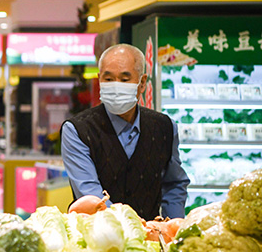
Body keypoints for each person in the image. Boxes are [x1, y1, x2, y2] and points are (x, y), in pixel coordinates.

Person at [60, 43, 189, 220]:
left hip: (151, 240)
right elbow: (91, 196)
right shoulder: (78, 130)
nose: (115, 86)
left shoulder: (164, 127)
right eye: (108, 79)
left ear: (142, 83)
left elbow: (174, 183)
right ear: (99, 80)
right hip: (97, 238)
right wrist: (134, 228)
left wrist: (173, 226)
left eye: (124, 79)